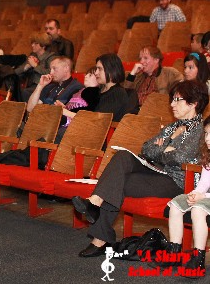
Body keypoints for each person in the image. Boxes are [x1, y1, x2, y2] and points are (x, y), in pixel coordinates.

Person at [71, 80, 208, 258]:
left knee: (117, 181)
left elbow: (180, 158)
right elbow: (146, 148)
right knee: (122, 157)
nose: (172, 104)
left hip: (178, 181)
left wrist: (161, 148)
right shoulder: (173, 126)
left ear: (193, 103)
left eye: (177, 100)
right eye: (172, 99)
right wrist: (166, 149)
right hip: (156, 171)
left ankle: (100, 239)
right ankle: (94, 202)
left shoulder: (200, 130)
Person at [158, 116, 210, 274]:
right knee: (176, 204)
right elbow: (203, 184)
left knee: (198, 210)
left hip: (207, 199)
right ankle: (174, 253)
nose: (207, 139)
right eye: (206, 133)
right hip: (205, 197)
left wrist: (203, 197)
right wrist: (195, 194)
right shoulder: (208, 157)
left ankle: (198, 259)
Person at [15, 32, 57, 102]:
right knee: (16, 88)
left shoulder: (51, 57)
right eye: (32, 43)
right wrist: (27, 66)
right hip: (31, 85)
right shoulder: (32, 56)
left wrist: (35, 66)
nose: (32, 45)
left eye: (35, 43)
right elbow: (16, 72)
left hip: (44, 86)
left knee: (25, 92)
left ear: (43, 45)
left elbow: (50, 73)